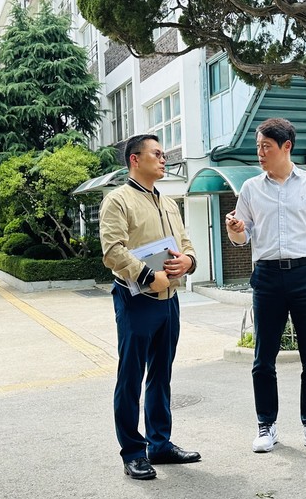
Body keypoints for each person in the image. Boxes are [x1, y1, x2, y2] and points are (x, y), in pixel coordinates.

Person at [225, 118, 306, 454]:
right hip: (266, 276)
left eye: (266, 146)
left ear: (286, 146)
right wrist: (235, 229)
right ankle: (266, 425)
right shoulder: (250, 189)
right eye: (258, 147)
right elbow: (241, 238)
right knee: (263, 357)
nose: (260, 153)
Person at [99, 133, 201, 481]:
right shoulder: (118, 200)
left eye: (163, 155)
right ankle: (133, 452)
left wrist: (188, 262)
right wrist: (147, 276)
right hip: (136, 300)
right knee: (131, 377)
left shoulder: (169, 203)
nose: (163, 159)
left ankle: (160, 444)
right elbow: (113, 251)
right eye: (156, 154)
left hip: (169, 301)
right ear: (135, 159)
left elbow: (185, 244)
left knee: (161, 375)